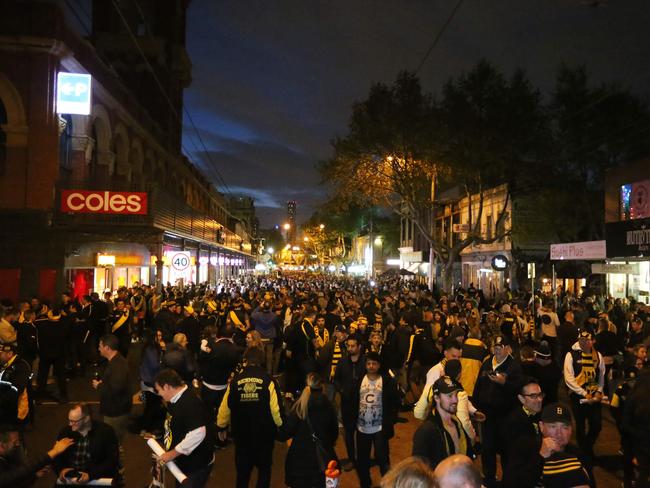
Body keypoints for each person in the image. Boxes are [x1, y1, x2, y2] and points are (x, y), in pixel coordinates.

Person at [217, 347, 283, 488]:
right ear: (262, 361)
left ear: (245, 361)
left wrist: (221, 426)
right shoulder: (269, 381)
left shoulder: (235, 381)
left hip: (242, 436)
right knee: (264, 471)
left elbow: (225, 408)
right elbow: (276, 410)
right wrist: (281, 427)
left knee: (242, 474)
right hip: (264, 435)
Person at [472, 334, 522, 488]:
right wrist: (476, 407)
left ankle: (507, 480)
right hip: (487, 416)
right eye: (495, 347)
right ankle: (489, 479)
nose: (497, 350)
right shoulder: (487, 363)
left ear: (508, 348)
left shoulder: (514, 366)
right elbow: (478, 386)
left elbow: (520, 389)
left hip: (505, 417)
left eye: (500, 347)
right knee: (488, 449)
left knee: (506, 450)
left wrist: (505, 382)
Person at [155, 369, 215, 487]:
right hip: (184, 464)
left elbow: (198, 432)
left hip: (195, 467)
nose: (159, 394)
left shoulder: (189, 403)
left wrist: (172, 454)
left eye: (159, 390)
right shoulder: (175, 399)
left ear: (167, 386)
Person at [281, 372, 338, 488]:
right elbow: (334, 434)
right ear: (322, 387)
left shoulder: (299, 406)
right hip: (322, 461)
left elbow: (286, 432)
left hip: (299, 462)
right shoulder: (328, 406)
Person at [353, 351, 400, 488]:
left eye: (374, 363)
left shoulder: (386, 381)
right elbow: (353, 401)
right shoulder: (360, 380)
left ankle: (387, 484)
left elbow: (394, 402)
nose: (371, 366)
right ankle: (365, 483)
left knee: (383, 458)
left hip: (380, 428)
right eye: (368, 363)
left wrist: (390, 420)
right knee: (362, 460)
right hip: (362, 428)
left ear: (379, 365)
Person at [412, 375, 473, 468]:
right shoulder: (426, 431)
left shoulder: (457, 423)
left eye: (456, 394)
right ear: (436, 398)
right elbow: (418, 469)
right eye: (449, 396)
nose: (455, 400)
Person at [53, 403, 121, 485]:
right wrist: (61, 470)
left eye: (74, 421)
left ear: (86, 419)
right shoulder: (65, 432)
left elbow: (112, 460)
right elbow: (56, 456)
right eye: (69, 420)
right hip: (71, 478)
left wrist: (90, 475)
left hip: (97, 478)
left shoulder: (105, 432)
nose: (70, 424)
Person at [563, 328, 605, 461]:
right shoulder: (571, 355)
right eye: (582, 340)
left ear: (593, 341)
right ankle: (584, 452)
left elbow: (601, 376)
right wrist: (583, 393)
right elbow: (569, 379)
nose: (584, 343)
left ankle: (586, 447)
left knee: (596, 425)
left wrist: (599, 391)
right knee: (580, 426)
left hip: (594, 396)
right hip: (578, 397)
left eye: (587, 340)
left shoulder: (598, 355)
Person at [501, 379, 544, 488]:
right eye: (533, 396)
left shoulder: (541, 415)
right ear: (521, 399)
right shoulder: (514, 422)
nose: (539, 400)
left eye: (540, 395)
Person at [0, 424, 74, 487]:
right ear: (2, 445)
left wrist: (34, 476)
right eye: (15, 442)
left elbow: (13, 482)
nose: (18, 444)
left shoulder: (6, 457)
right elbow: (16, 474)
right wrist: (54, 452)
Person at [334, 333, 366, 472]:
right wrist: (341, 389)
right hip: (347, 404)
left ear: (359, 346)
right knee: (348, 434)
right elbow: (335, 380)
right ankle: (352, 459)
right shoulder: (342, 362)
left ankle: (362, 459)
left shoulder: (366, 362)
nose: (350, 348)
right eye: (349, 346)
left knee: (362, 434)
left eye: (353, 346)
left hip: (363, 404)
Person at [92, 334, 132, 444]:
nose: (98, 348)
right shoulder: (115, 361)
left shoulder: (118, 365)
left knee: (112, 441)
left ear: (107, 348)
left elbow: (116, 389)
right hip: (115, 410)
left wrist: (99, 385)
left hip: (115, 413)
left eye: (100, 346)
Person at [0, 342, 32, 426]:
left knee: (13, 436)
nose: (0, 355)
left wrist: (2, 400)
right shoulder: (6, 364)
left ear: (9, 354)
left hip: (16, 410)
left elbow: (16, 389)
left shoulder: (21, 366)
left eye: (1, 353)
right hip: (6, 407)